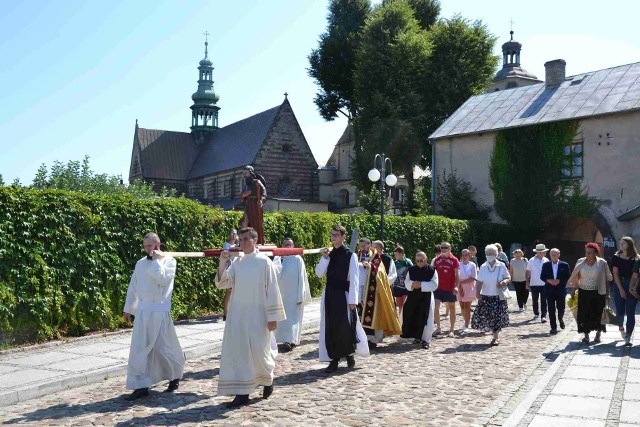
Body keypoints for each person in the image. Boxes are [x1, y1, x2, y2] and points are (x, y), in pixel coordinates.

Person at [215, 227, 286, 408]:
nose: (243, 242)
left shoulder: (264, 263)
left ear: (255, 240)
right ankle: (242, 392)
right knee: (239, 354)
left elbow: (272, 289)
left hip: (258, 315)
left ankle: (267, 380)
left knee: (259, 353)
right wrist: (223, 263)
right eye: (241, 239)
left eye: (246, 239)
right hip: (238, 315)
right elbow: (223, 283)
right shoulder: (237, 263)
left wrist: (273, 317)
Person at [123, 233, 184, 401]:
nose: (147, 249)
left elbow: (164, 280)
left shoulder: (169, 261)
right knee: (139, 350)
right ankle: (140, 385)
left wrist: (157, 261)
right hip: (143, 313)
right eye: (145, 246)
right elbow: (133, 287)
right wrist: (128, 309)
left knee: (165, 348)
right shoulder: (140, 264)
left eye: (150, 245)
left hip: (159, 312)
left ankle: (174, 376)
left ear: (158, 244)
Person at [315, 225, 369, 373]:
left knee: (344, 326)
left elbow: (354, 279)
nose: (333, 238)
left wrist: (353, 300)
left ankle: (349, 353)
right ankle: (334, 359)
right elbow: (319, 273)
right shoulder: (329, 255)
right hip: (330, 294)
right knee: (330, 326)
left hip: (343, 295)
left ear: (343, 237)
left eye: (336, 235)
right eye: (332, 235)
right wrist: (324, 258)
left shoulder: (349, 255)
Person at [357, 238, 401, 348]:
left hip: (373, 290)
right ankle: (359, 338)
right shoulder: (357, 255)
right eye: (360, 246)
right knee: (359, 313)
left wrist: (370, 266)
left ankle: (372, 339)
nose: (361, 248)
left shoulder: (376, 257)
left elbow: (381, 271)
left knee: (373, 314)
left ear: (369, 245)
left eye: (363, 246)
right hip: (359, 290)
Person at [567, 243, 613, 344]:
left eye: (590, 252)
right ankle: (586, 336)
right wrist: (574, 290)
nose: (587, 254)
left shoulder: (602, 263)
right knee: (584, 314)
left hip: (598, 292)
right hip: (583, 292)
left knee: (598, 314)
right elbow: (576, 277)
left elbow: (608, 278)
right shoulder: (580, 262)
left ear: (595, 252)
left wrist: (607, 293)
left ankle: (598, 334)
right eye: (586, 252)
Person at [272, 237, 312, 352]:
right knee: (281, 319)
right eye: (285, 244)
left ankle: (291, 341)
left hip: (294, 294)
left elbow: (302, 277)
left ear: (293, 246)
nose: (287, 246)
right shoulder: (278, 257)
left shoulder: (297, 259)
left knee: (292, 319)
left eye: (290, 244)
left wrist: (301, 295)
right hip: (281, 293)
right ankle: (281, 340)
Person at [471, 244, 511, 346]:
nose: (489, 255)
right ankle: (493, 332)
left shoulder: (501, 265)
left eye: (492, 254)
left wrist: (503, 282)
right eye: (488, 253)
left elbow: (508, 277)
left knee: (496, 317)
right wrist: (477, 292)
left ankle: (495, 337)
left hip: (497, 297)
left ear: (496, 255)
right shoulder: (484, 266)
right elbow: (479, 281)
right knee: (487, 316)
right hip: (485, 296)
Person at [401, 252, 438, 349]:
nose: (419, 262)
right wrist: (413, 284)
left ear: (426, 259)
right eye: (417, 261)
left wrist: (421, 284)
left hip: (426, 297)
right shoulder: (411, 269)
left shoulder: (432, 270)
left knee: (426, 318)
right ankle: (417, 337)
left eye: (421, 260)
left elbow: (435, 284)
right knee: (414, 316)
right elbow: (407, 282)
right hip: (413, 297)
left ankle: (426, 340)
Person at [611, 237, 640, 346]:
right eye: (620, 243)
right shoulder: (616, 257)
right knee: (620, 311)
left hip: (632, 286)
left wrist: (633, 288)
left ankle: (628, 336)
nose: (621, 245)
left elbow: (636, 276)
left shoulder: (637, 258)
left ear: (629, 245)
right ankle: (621, 328)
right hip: (619, 284)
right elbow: (615, 274)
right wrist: (621, 290)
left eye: (623, 243)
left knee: (630, 311)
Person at [540, 248, 571, 335]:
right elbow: (542, 276)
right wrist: (549, 280)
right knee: (551, 309)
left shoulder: (564, 265)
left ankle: (560, 319)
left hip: (560, 289)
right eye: (552, 254)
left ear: (558, 255)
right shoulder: (546, 265)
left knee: (561, 308)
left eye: (555, 254)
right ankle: (553, 327)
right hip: (549, 290)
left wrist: (559, 281)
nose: (553, 256)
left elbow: (568, 276)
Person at [433, 242, 460, 337]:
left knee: (452, 308)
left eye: (445, 247)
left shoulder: (454, 260)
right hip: (438, 288)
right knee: (435, 307)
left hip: (450, 288)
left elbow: (457, 275)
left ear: (450, 248)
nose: (443, 249)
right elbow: (434, 273)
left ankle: (451, 329)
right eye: (442, 248)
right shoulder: (437, 260)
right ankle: (438, 328)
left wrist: (456, 286)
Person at [240, 166, 267, 245]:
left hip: (256, 205)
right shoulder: (246, 185)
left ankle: (258, 240)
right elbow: (241, 196)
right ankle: (244, 239)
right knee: (245, 222)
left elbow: (264, 192)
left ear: (251, 173)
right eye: (243, 173)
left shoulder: (257, 182)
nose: (245, 175)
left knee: (256, 223)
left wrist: (261, 200)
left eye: (246, 173)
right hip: (248, 205)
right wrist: (244, 195)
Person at [527, 244, 550, 323]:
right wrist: (527, 282)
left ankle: (543, 316)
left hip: (544, 284)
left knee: (544, 300)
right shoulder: (531, 260)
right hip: (534, 283)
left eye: (543, 252)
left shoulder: (546, 260)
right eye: (541, 252)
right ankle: (536, 313)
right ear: (537, 252)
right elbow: (528, 271)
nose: (543, 253)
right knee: (535, 300)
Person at [458, 249, 477, 334]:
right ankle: (465, 320)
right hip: (459, 286)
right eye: (463, 255)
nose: (464, 257)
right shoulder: (458, 264)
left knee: (467, 306)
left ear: (469, 256)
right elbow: (456, 276)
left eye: (466, 255)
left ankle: (466, 324)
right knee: (462, 306)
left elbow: (473, 278)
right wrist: (459, 286)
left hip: (469, 286)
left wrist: (461, 283)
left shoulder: (472, 265)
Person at [222, 229, 239, 321]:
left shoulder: (237, 245)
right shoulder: (226, 245)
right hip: (230, 270)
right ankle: (225, 313)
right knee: (229, 291)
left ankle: (233, 312)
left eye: (235, 234)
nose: (233, 235)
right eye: (232, 233)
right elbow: (226, 258)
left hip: (238, 270)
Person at [392, 246, 413, 315]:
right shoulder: (394, 263)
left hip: (406, 287)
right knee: (399, 305)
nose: (395, 256)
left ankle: (405, 318)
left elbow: (412, 271)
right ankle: (401, 318)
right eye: (394, 255)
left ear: (401, 254)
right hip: (397, 286)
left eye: (396, 254)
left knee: (405, 304)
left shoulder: (408, 262)